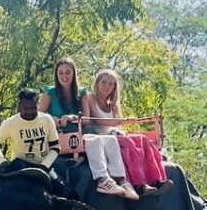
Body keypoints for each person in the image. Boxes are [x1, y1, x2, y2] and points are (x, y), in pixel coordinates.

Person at [40, 58, 136, 199]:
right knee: (94, 140)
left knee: (110, 140)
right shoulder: (50, 93)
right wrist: (54, 120)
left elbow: (86, 118)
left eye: (68, 72)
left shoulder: (81, 93)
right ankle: (102, 179)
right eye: (60, 73)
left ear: (74, 74)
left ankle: (121, 179)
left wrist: (73, 117)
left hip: (79, 131)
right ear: (56, 74)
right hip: (61, 136)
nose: (64, 76)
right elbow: (39, 117)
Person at [86, 69, 171, 197]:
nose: (107, 86)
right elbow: (99, 121)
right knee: (127, 142)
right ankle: (138, 184)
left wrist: (123, 123)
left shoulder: (113, 105)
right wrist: (123, 122)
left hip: (115, 132)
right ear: (97, 83)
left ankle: (155, 180)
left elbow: (119, 125)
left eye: (111, 84)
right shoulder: (90, 98)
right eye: (104, 82)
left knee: (141, 138)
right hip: (101, 134)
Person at [0, 88, 60, 174]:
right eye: (26, 108)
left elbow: (55, 147)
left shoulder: (47, 119)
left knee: (60, 186)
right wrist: (2, 162)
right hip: (18, 166)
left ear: (37, 105)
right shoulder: (10, 123)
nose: (29, 112)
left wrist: (44, 166)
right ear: (20, 106)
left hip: (43, 165)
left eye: (33, 108)